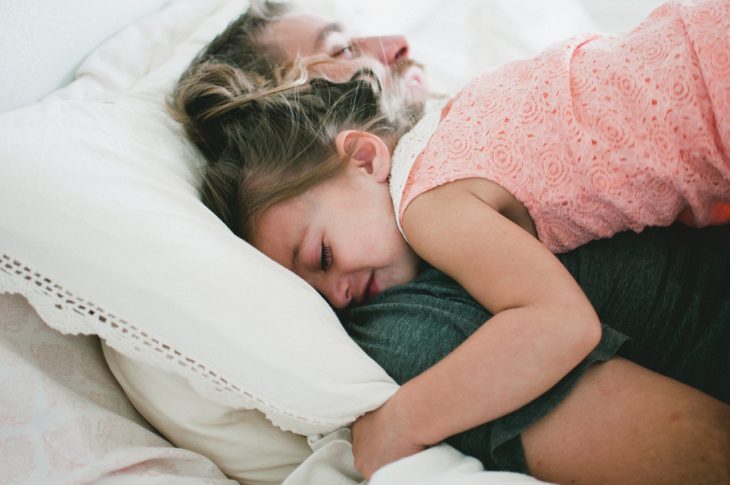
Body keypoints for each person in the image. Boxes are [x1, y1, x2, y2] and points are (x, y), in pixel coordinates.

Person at [169, 1, 730, 482]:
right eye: (339, 54)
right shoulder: (407, 295)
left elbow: (559, 322)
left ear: (363, 154)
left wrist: (400, 421)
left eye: (324, 257)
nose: (390, 46)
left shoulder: (428, 199)